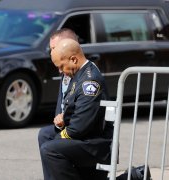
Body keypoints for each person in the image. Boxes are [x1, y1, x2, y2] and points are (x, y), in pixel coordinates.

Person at [38, 37, 113, 179]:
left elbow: (79, 127)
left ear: (73, 59)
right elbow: (74, 109)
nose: (60, 71)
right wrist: (63, 119)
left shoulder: (90, 82)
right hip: (86, 137)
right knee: (44, 134)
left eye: (61, 66)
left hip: (96, 144)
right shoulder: (78, 73)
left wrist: (58, 136)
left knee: (50, 149)